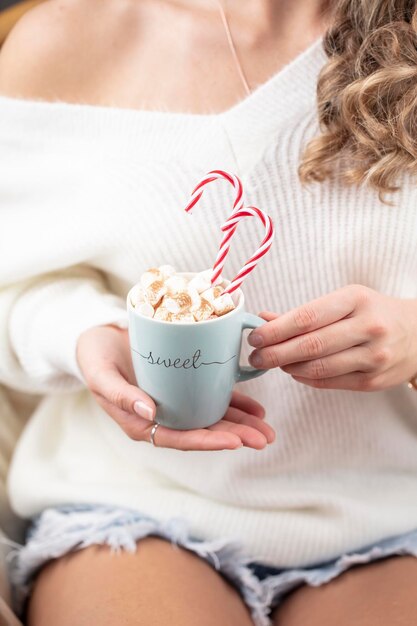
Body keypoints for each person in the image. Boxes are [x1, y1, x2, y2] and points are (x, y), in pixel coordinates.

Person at [0, 0, 417, 624]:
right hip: (134, 498)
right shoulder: (64, 39)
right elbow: (17, 281)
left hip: (389, 506)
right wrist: (84, 334)